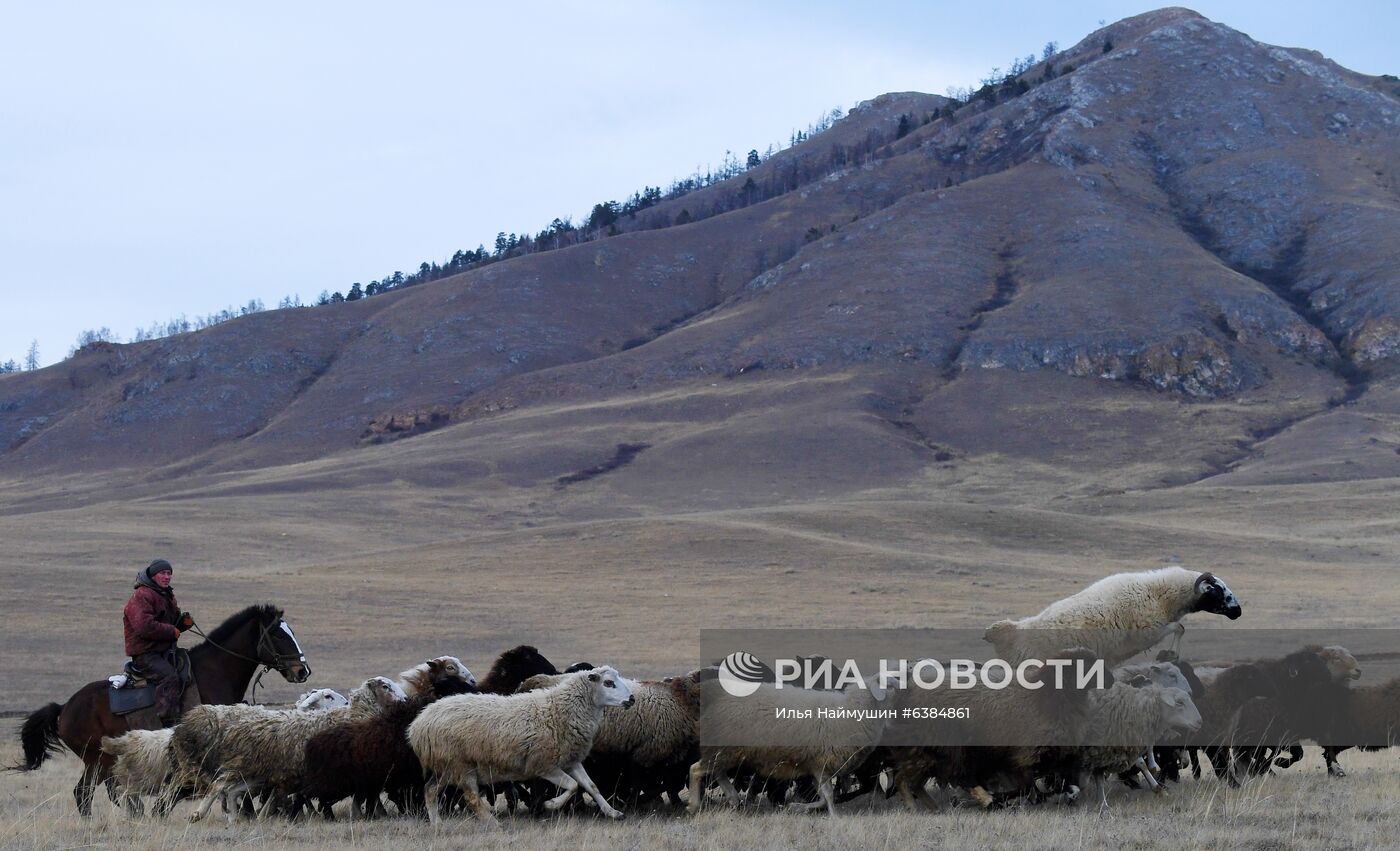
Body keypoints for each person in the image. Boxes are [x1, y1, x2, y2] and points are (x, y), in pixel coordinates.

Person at [122, 559, 195, 724]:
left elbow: (171, 624)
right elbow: (144, 626)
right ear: (153, 575)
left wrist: (183, 623)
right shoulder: (142, 595)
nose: (167, 577)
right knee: (169, 677)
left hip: (164, 651)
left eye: (169, 573)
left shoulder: (166, 594)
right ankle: (167, 720)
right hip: (146, 654)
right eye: (163, 573)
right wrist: (172, 631)